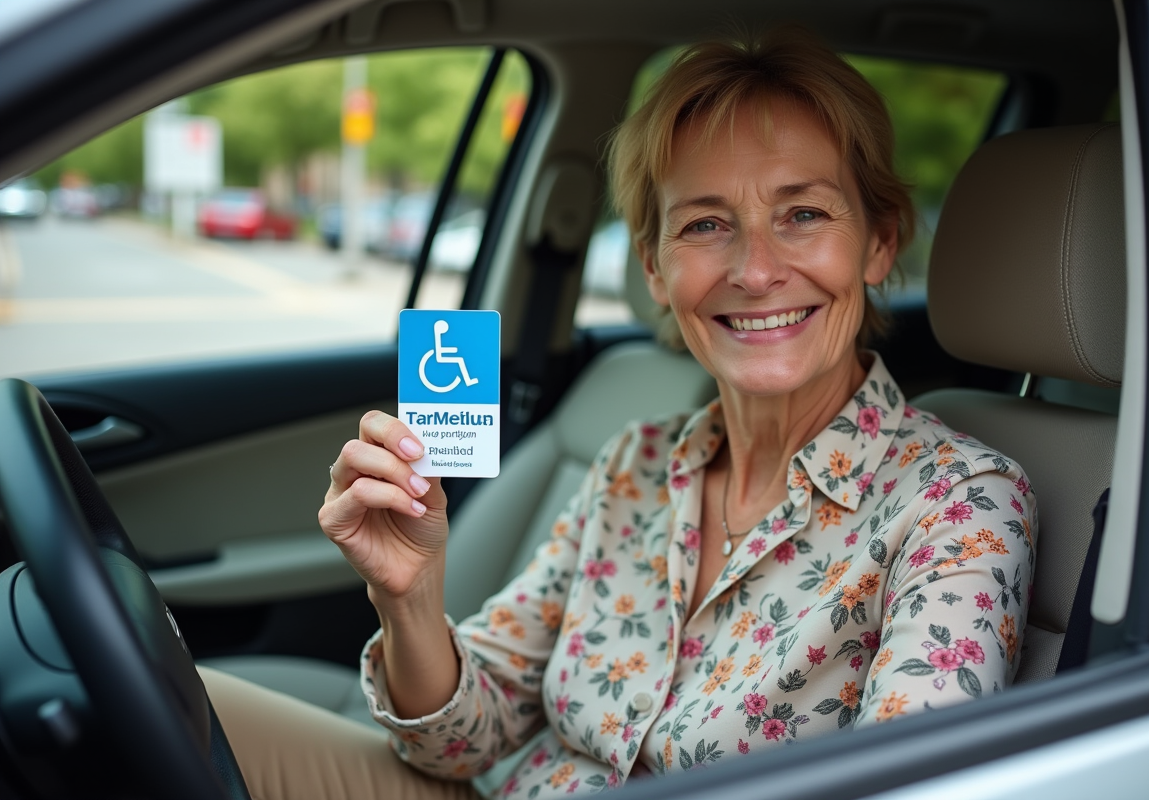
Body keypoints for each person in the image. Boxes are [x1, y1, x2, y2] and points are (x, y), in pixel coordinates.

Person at [201, 25, 1036, 800]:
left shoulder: (959, 504)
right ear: (654, 268)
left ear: (881, 240)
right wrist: (410, 598)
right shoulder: (635, 466)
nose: (754, 269)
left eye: (804, 215)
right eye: (706, 224)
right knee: (182, 702)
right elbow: (464, 741)